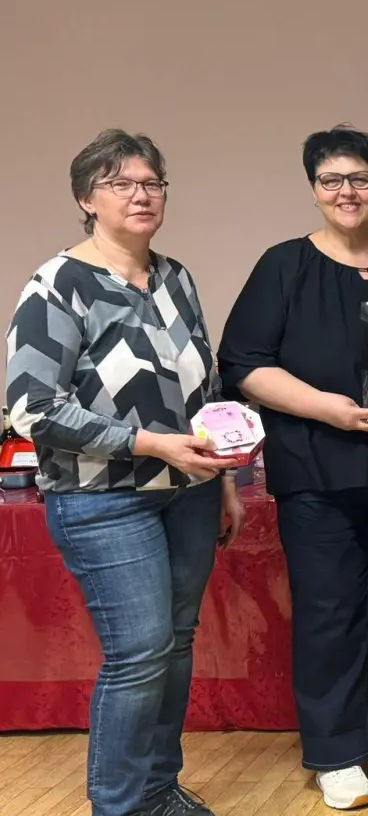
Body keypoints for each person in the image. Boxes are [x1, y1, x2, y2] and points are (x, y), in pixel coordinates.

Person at [5, 130, 244, 816]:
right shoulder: (58, 284)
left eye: (152, 184)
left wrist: (222, 477)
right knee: (138, 654)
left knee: (173, 646)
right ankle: (119, 806)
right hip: (101, 501)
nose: (141, 196)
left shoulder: (176, 278)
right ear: (86, 198)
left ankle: (156, 791)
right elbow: (33, 408)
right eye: (120, 184)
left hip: (191, 495)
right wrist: (149, 443)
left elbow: (206, 389)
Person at [217, 126, 368, 811]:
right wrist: (325, 408)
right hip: (318, 469)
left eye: (360, 179)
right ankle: (334, 750)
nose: (347, 192)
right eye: (332, 181)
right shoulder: (284, 266)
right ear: (314, 190)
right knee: (330, 610)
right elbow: (245, 366)